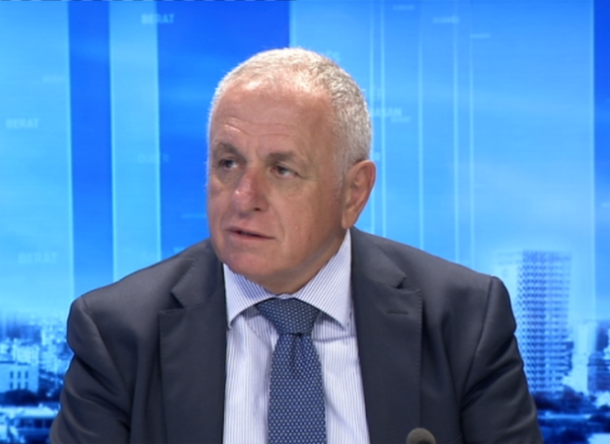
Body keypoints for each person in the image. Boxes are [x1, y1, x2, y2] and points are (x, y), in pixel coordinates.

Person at [50, 48, 542, 444]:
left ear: (353, 193)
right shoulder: (118, 333)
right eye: (227, 163)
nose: (243, 197)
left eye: (281, 170)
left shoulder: (464, 321)